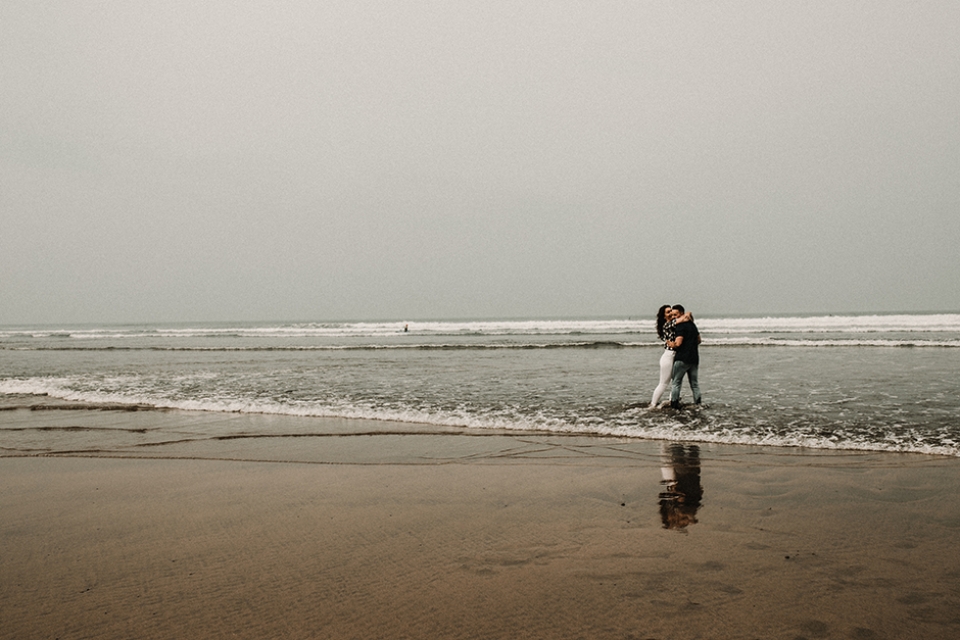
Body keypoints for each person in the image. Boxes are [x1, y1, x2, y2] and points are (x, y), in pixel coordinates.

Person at [650, 305, 694, 409]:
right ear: (664, 316)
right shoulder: (667, 325)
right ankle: (652, 405)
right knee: (663, 384)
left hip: (676, 356)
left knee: (676, 382)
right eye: (668, 312)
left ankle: (672, 402)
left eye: (672, 312)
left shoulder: (674, 324)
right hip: (668, 356)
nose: (671, 314)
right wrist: (686, 314)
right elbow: (686, 316)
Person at [667, 304, 701, 408]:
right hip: (694, 358)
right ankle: (698, 404)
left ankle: (674, 405)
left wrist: (670, 343)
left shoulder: (680, 326)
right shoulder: (692, 325)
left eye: (675, 314)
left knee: (676, 383)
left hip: (682, 358)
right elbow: (699, 340)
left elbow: (678, 343)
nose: (674, 317)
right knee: (694, 384)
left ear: (682, 313)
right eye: (672, 315)